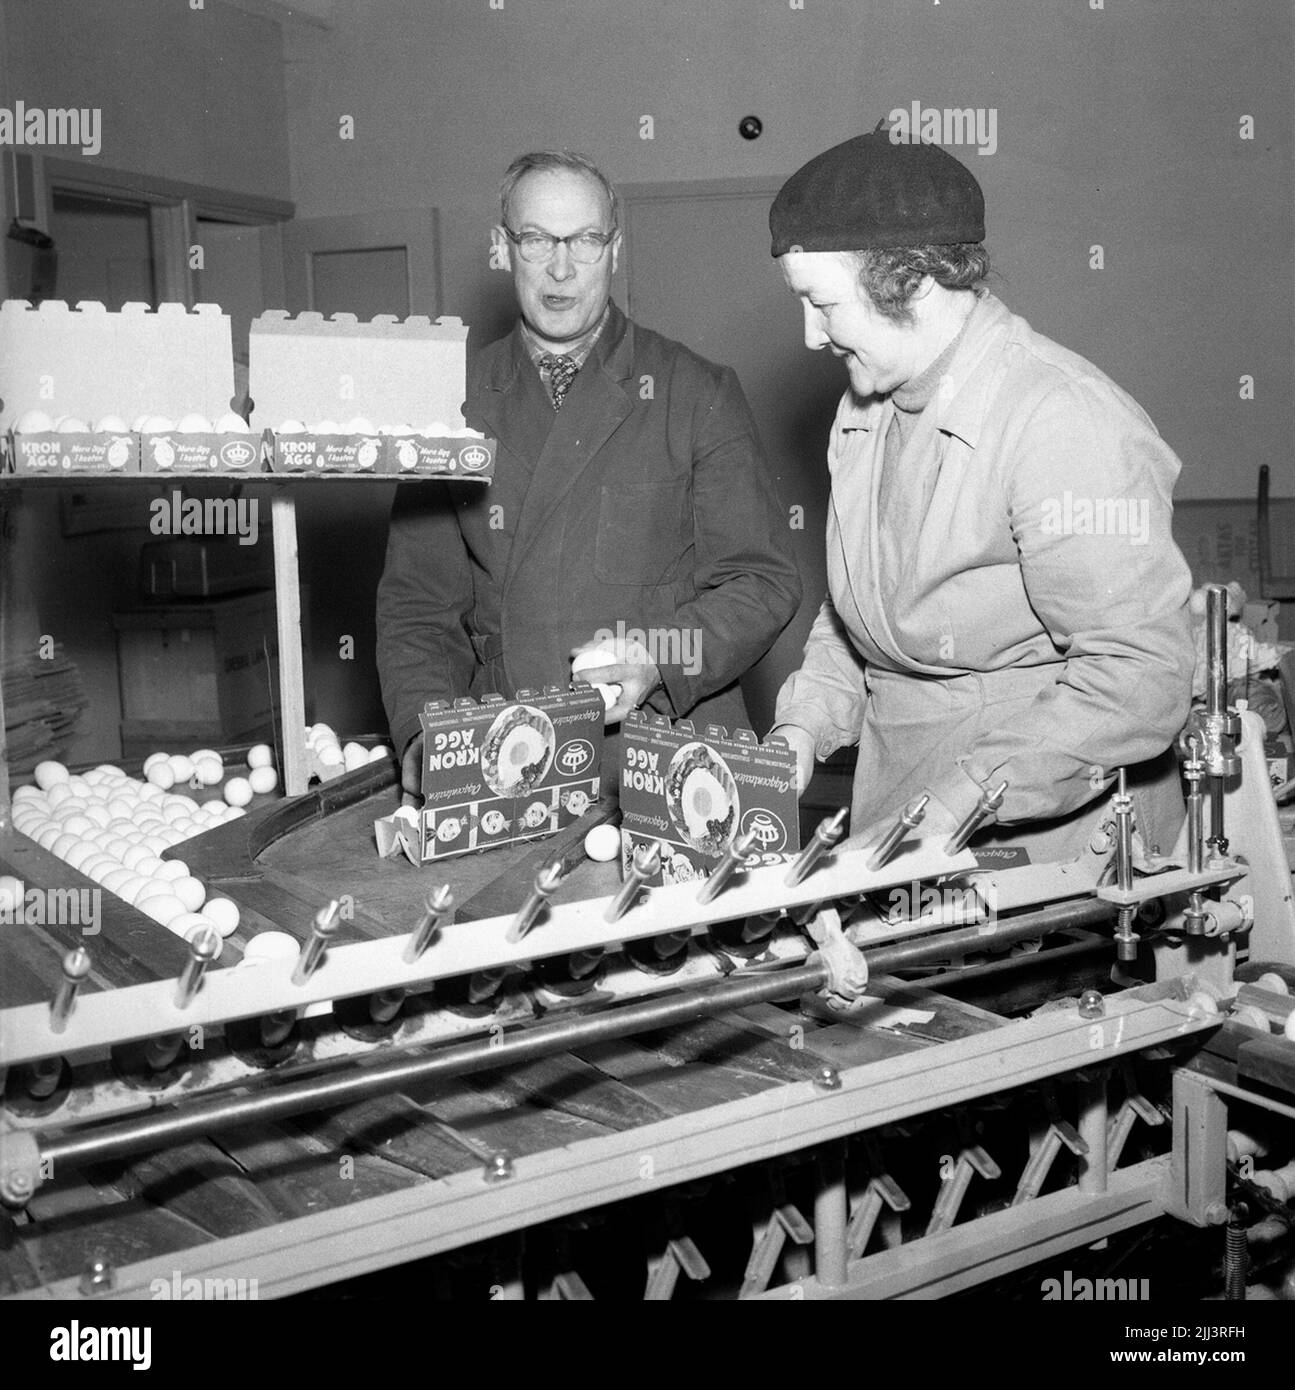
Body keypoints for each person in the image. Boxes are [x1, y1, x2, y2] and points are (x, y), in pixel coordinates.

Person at [767, 130, 1195, 862]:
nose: (810, 337)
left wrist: (965, 797)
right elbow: (856, 611)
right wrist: (801, 727)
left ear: (913, 283)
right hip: (902, 804)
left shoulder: (1061, 418)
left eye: (822, 304)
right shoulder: (867, 406)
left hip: (1045, 832)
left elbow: (1137, 677)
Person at [377, 151, 801, 793]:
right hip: (509, 756)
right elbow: (418, 609)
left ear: (615, 249)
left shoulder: (695, 391)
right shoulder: (452, 406)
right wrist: (421, 735)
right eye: (537, 239)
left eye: (585, 239)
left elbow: (761, 581)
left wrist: (660, 658)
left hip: (669, 757)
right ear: (503, 247)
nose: (561, 267)